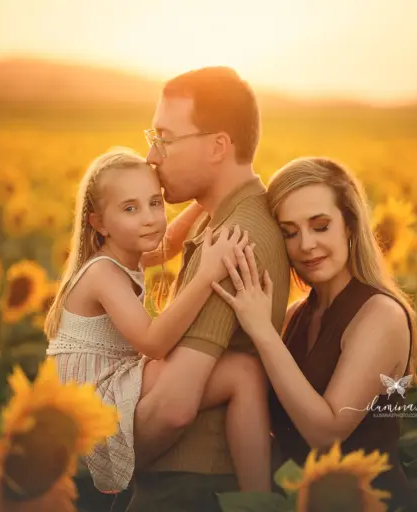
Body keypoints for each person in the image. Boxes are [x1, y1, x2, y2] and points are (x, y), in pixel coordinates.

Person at [44, 147, 273, 495]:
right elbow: (153, 342)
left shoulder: (125, 250)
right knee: (234, 372)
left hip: (114, 384)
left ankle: (259, 501)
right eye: (130, 208)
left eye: (155, 202)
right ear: (98, 223)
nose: (150, 217)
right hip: (94, 409)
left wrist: (208, 194)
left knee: (244, 372)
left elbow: (170, 243)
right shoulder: (102, 272)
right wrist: (206, 273)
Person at [211, 157, 417, 511]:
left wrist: (262, 331)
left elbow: (326, 435)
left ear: (349, 225)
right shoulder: (296, 315)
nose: (306, 245)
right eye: (290, 232)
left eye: (320, 226)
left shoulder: (380, 315)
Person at [123, 67, 292, 511]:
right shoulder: (217, 215)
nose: (151, 157)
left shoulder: (237, 240)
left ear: (219, 146)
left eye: (165, 137)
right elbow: (147, 252)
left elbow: (174, 407)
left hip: (188, 488)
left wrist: (106, 464)